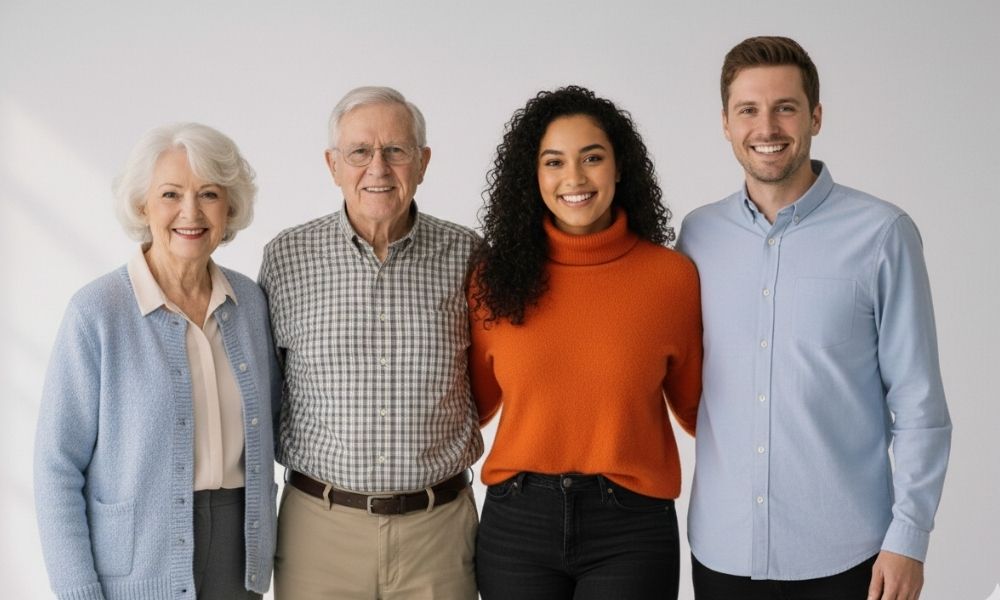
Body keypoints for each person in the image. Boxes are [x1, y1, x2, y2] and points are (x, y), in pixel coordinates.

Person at [677, 36, 952, 600]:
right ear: (726, 124)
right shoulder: (697, 237)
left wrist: (909, 540)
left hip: (851, 557)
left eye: (786, 107)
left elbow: (920, 406)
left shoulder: (882, 234)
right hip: (723, 551)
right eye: (748, 110)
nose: (767, 127)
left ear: (816, 116)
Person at [468, 85, 703, 600]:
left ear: (620, 168)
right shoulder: (494, 279)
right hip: (517, 522)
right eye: (554, 162)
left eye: (592, 158)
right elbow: (475, 407)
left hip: (631, 527)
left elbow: (698, 411)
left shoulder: (671, 279)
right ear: (534, 177)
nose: (573, 178)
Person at [34, 122, 280, 600]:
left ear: (229, 207)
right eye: (171, 194)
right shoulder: (97, 312)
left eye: (209, 193)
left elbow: (275, 421)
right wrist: (78, 591)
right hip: (135, 565)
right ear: (143, 206)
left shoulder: (248, 302)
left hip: (239, 553)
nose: (190, 212)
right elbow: (56, 467)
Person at [259, 86, 483, 599]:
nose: (377, 168)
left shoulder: (467, 255)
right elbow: (266, 392)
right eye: (359, 152)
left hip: (438, 533)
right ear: (332, 164)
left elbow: (491, 381)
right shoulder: (286, 258)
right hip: (319, 532)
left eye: (396, 150)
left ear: (422, 162)